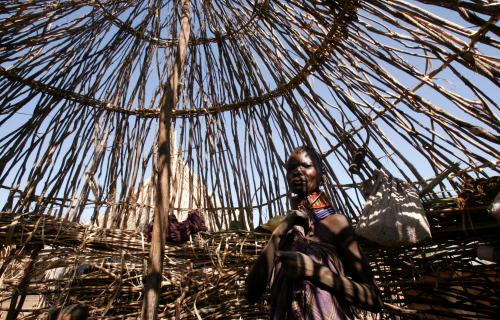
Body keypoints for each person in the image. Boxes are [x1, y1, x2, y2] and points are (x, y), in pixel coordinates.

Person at [245, 146, 382, 319]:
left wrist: (316, 272)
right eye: (291, 169)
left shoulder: (336, 224)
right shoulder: (283, 229)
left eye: (305, 165)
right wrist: (280, 230)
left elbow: (374, 299)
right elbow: (251, 294)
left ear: (321, 175)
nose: (297, 172)